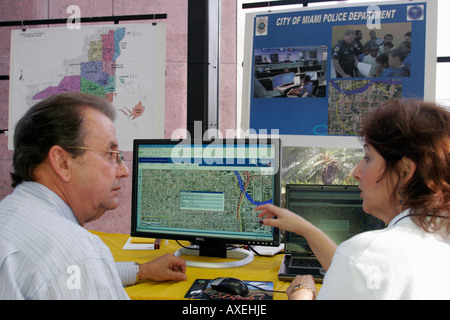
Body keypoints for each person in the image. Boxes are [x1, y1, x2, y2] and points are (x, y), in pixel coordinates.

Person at [0, 93, 187, 299]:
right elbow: (75, 267)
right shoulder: (76, 251)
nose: (124, 170)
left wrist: (141, 270)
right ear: (62, 163)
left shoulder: (10, 218)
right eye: (110, 154)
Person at [258, 99, 450, 300]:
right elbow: (358, 271)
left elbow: (359, 264)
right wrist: (304, 228)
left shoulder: (369, 254)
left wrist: (301, 293)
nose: (356, 171)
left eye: (368, 157)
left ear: (405, 171)